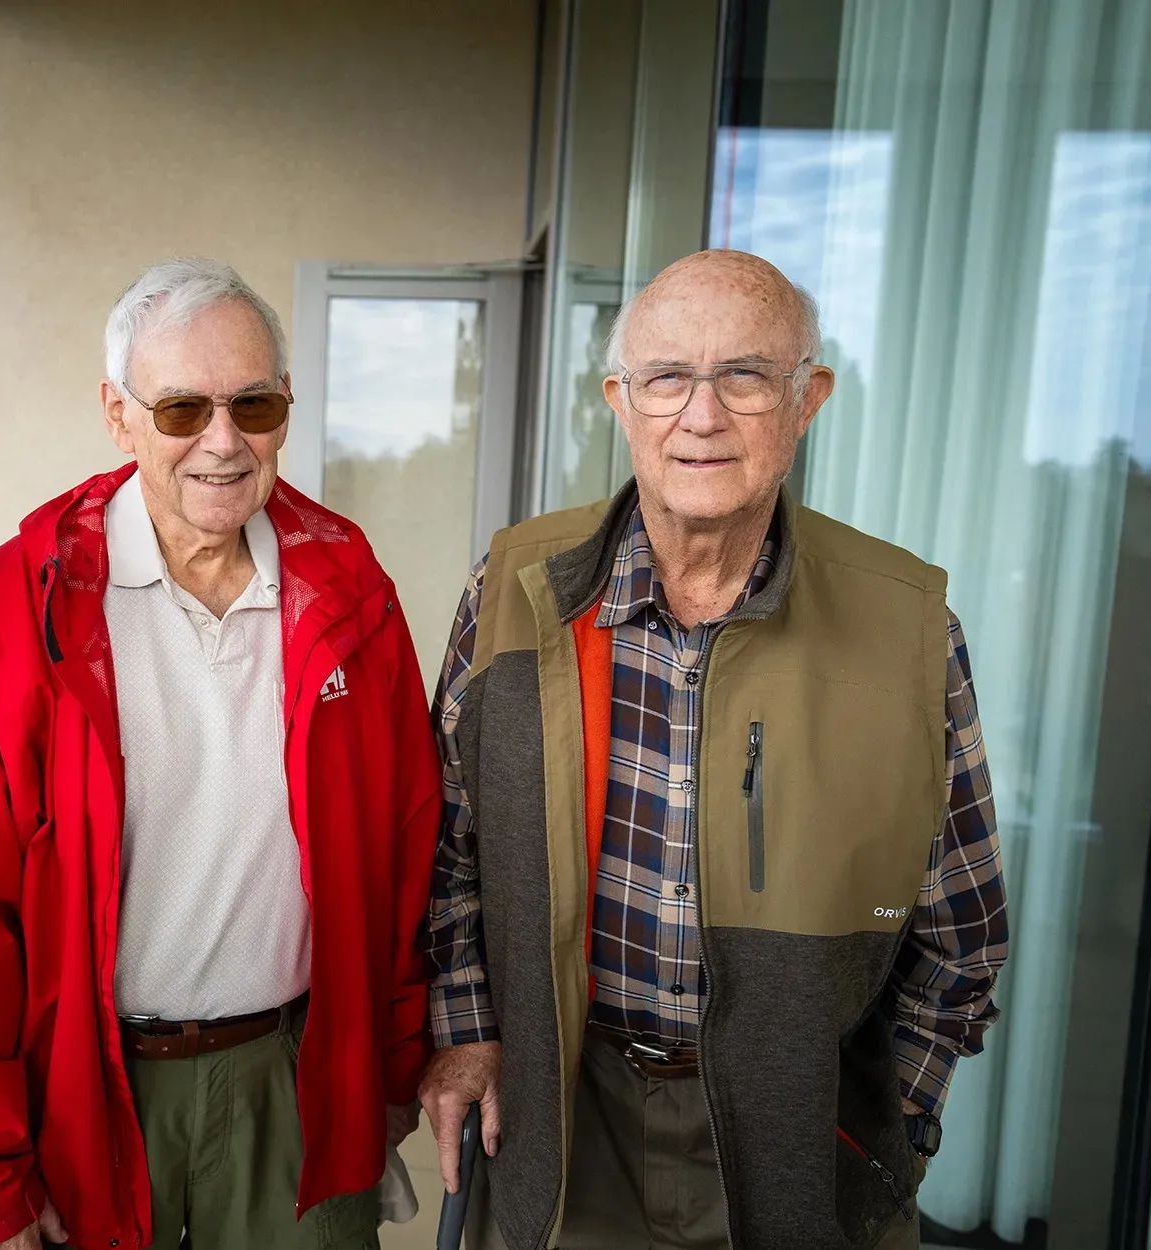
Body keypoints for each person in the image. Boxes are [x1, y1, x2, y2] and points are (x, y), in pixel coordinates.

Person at [417, 250, 1010, 1250]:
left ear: (806, 398)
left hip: (800, 1141)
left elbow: (963, 929)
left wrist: (886, 1122)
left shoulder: (903, 623)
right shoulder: (515, 588)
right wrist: (468, 1028)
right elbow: (449, 853)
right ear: (619, 399)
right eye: (666, 378)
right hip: (564, 1117)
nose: (701, 415)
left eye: (744, 375)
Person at [0, 258, 439, 1250]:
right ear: (118, 415)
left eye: (255, 403)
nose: (223, 441)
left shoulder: (350, 588)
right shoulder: (21, 607)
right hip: (93, 1094)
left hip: (298, 1075)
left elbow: (404, 851)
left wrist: (394, 1065)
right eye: (183, 408)